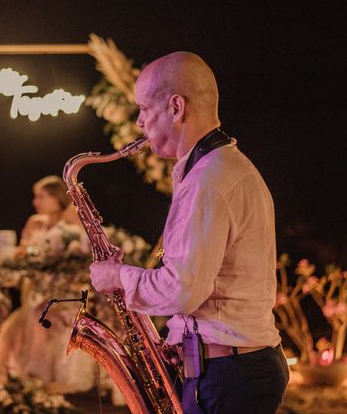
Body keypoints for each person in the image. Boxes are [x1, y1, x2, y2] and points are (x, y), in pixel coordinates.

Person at [90, 52, 289, 413]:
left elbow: (182, 289)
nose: (138, 123)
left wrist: (117, 276)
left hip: (227, 375)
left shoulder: (208, 180)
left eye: (144, 109)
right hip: (232, 368)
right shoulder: (224, 166)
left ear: (176, 107)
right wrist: (181, 336)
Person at [0, 175, 95, 394]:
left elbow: (81, 256)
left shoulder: (70, 225)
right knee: (25, 317)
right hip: (36, 291)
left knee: (39, 315)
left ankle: (44, 376)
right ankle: (25, 375)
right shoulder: (34, 223)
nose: (36, 202)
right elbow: (21, 255)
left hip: (62, 293)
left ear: (56, 199)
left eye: (42, 197)